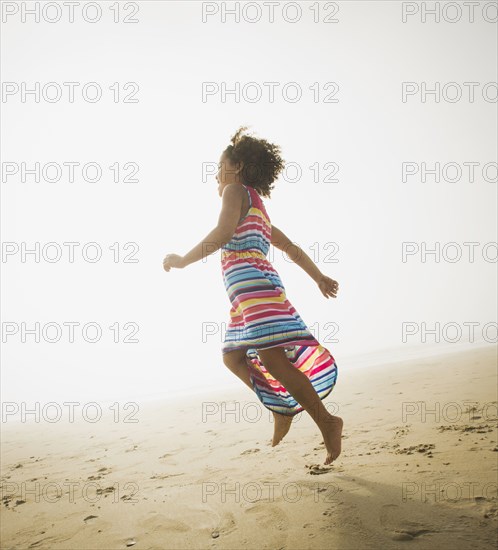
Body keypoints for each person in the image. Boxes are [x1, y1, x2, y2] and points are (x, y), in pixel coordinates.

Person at [163, 126, 343, 465]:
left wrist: (184, 260)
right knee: (232, 356)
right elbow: (291, 248)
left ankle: (327, 422)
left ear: (239, 167)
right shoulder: (258, 207)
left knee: (273, 359)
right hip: (249, 296)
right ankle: (281, 409)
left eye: (220, 166)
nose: (216, 175)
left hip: (255, 291)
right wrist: (318, 277)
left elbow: (222, 232)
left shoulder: (235, 191)